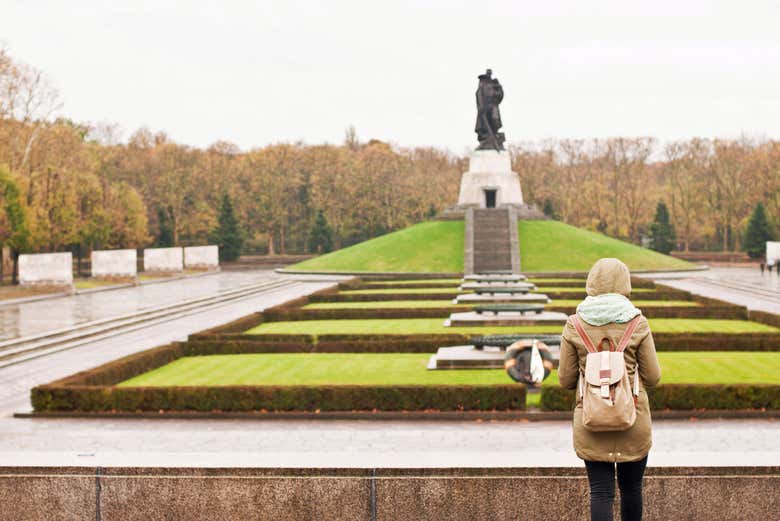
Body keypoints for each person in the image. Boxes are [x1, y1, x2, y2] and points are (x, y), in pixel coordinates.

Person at [558, 258, 661, 521]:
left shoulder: (574, 324)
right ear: (624, 284)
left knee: (601, 492)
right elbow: (653, 376)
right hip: (632, 417)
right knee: (631, 489)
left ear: (591, 282)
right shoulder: (637, 322)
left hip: (591, 419)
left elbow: (566, 380)